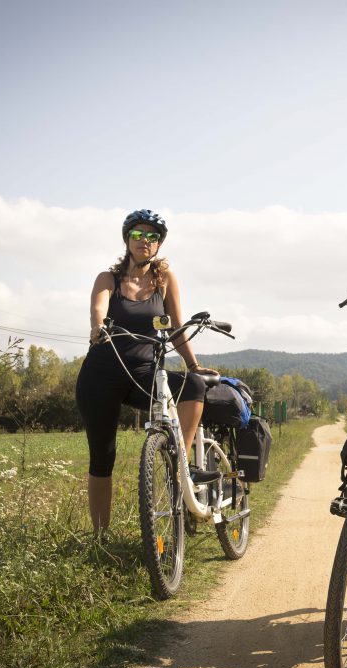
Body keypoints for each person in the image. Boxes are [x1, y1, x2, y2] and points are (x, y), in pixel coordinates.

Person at [75, 209, 215, 536]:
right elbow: (98, 308)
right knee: (102, 456)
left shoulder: (164, 280)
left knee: (193, 386)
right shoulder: (107, 279)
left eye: (152, 236)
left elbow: (177, 328)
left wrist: (193, 364)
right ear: (127, 240)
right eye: (138, 234)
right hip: (102, 375)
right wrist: (99, 328)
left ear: (158, 243)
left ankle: (180, 466)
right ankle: (100, 538)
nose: (144, 241)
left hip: (144, 373)